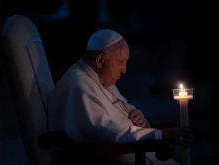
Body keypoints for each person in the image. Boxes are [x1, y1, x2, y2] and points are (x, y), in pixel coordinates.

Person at [48, 29, 192, 165]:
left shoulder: (97, 78)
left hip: (135, 149)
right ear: (100, 60)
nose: (124, 70)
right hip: (121, 155)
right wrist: (161, 135)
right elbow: (110, 133)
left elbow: (124, 109)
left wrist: (138, 117)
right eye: (121, 62)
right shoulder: (79, 86)